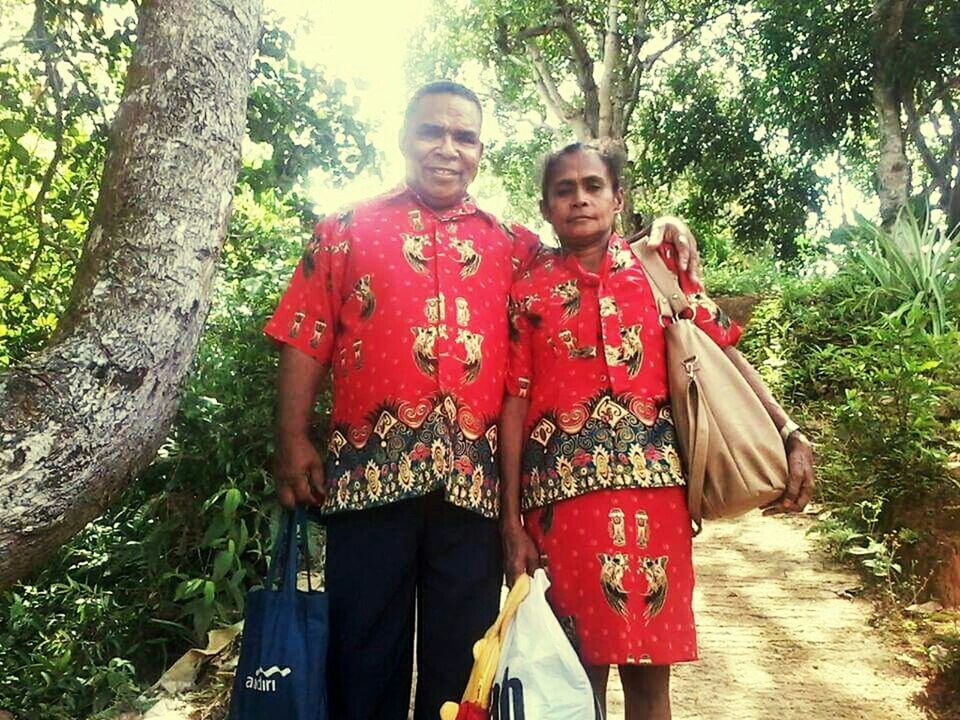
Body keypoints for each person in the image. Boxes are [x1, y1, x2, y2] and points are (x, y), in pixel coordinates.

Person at [264, 81, 701, 720]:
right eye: (432, 132)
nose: (447, 148)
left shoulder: (513, 244)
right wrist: (292, 438)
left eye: (463, 136)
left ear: (480, 152)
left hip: (473, 492)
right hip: (366, 483)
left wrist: (659, 234)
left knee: (465, 665)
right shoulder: (345, 229)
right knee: (363, 656)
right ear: (405, 138)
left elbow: (593, 258)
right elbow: (305, 333)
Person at [499, 143, 815, 720]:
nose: (579, 199)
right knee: (574, 680)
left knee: (649, 682)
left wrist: (788, 430)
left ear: (618, 199)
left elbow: (720, 352)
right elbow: (514, 403)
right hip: (560, 513)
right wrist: (511, 519)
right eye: (563, 190)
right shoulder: (527, 289)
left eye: (593, 186)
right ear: (545, 209)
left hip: (657, 505)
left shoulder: (659, 270)